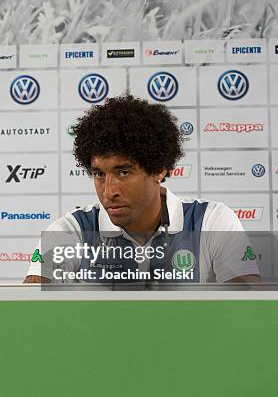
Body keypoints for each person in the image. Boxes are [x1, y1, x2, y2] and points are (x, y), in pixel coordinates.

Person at [24, 95, 260, 284]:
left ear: (158, 170)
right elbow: (27, 314)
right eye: (99, 174)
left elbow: (252, 314)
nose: (108, 191)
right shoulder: (71, 230)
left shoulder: (211, 221)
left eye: (123, 172)